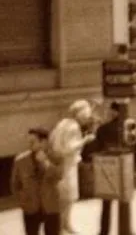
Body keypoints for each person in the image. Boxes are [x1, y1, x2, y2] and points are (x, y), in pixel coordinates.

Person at [50, 99, 96, 234]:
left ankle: (63, 225)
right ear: (80, 115)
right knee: (68, 197)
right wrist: (84, 141)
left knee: (63, 197)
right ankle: (64, 225)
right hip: (68, 165)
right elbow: (69, 148)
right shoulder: (73, 127)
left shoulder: (62, 123)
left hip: (58, 163)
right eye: (86, 116)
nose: (86, 120)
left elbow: (52, 140)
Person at [11, 128, 63, 235]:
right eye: (28, 141)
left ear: (43, 142)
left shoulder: (56, 157)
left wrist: (46, 163)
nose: (29, 144)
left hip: (51, 206)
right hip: (30, 206)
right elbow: (15, 184)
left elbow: (58, 176)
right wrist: (22, 201)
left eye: (32, 141)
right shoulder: (21, 160)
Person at [93, 102, 123, 235]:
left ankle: (104, 232)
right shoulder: (129, 127)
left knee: (106, 204)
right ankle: (124, 229)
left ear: (113, 112)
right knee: (124, 202)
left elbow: (95, 148)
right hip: (124, 167)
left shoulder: (103, 129)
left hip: (107, 166)